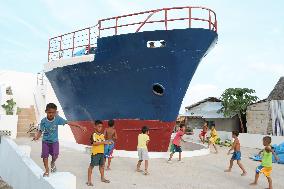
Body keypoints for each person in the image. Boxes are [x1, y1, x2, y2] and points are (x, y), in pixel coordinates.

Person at [33, 103, 86, 177]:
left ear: (55, 112)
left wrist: (80, 126)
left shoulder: (58, 119)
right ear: (46, 111)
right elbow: (40, 131)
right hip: (45, 141)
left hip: (54, 142)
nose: (51, 114)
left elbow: (69, 122)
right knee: (45, 156)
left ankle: (52, 162)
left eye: (53, 112)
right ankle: (47, 170)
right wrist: (37, 137)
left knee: (55, 155)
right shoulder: (43, 121)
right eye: (49, 112)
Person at [87, 120, 111, 186]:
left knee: (102, 166)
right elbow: (93, 143)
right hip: (95, 153)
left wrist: (108, 142)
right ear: (95, 127)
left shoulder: (102, 135)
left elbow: (103, 143)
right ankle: (89, 181)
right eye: (99, 126)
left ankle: (102, 178)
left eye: (101, 127)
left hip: (102, 153)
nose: (100, 128)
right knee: (91, 166)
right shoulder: (93, 135)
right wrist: (103, 142)